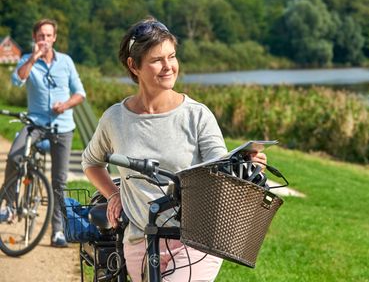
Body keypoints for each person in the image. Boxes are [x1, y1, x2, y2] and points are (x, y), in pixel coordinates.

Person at [81, 17, 267, 282]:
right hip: (140, 240)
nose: (169, 66)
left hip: (196, 241)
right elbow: (91, 162)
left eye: (172, 56)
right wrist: (113, 194)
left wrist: (246, 165)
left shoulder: (196, 115)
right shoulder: (115, 118)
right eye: (157, 60)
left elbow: (220, 168)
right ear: (134, 66)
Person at [2, 18, 86, 247]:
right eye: (41, 36)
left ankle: (57, 231)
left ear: (55, 38)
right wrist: (33, 58)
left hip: (62, 127)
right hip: (35, 124)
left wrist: (65, 105)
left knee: (59, 181)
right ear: (35, 38)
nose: (45, 40)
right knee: (15, 155)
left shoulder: (66, 62)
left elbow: (80, 93)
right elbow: (17, 81)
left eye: (49, 36)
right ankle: (9, 207)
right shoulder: (27, 60)